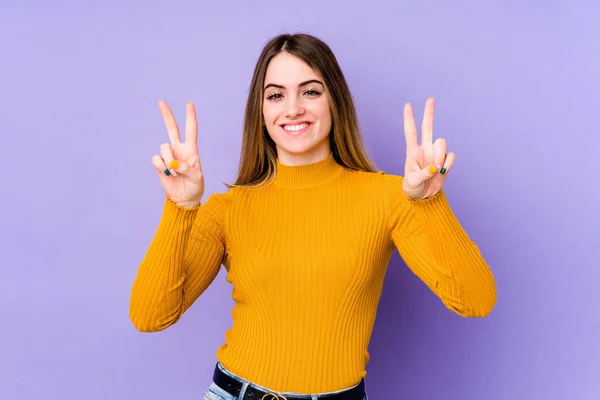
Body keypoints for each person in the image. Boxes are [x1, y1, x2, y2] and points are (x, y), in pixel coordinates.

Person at [129, 33, 496, 400]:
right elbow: (150, 316)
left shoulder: (390, 198)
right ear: (261, 112)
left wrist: (430, 202)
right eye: (276, 95)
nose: (292, 109)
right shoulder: (227, 210)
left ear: (334, 100)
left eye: (310, 91)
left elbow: (476, 300)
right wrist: (180, 209)